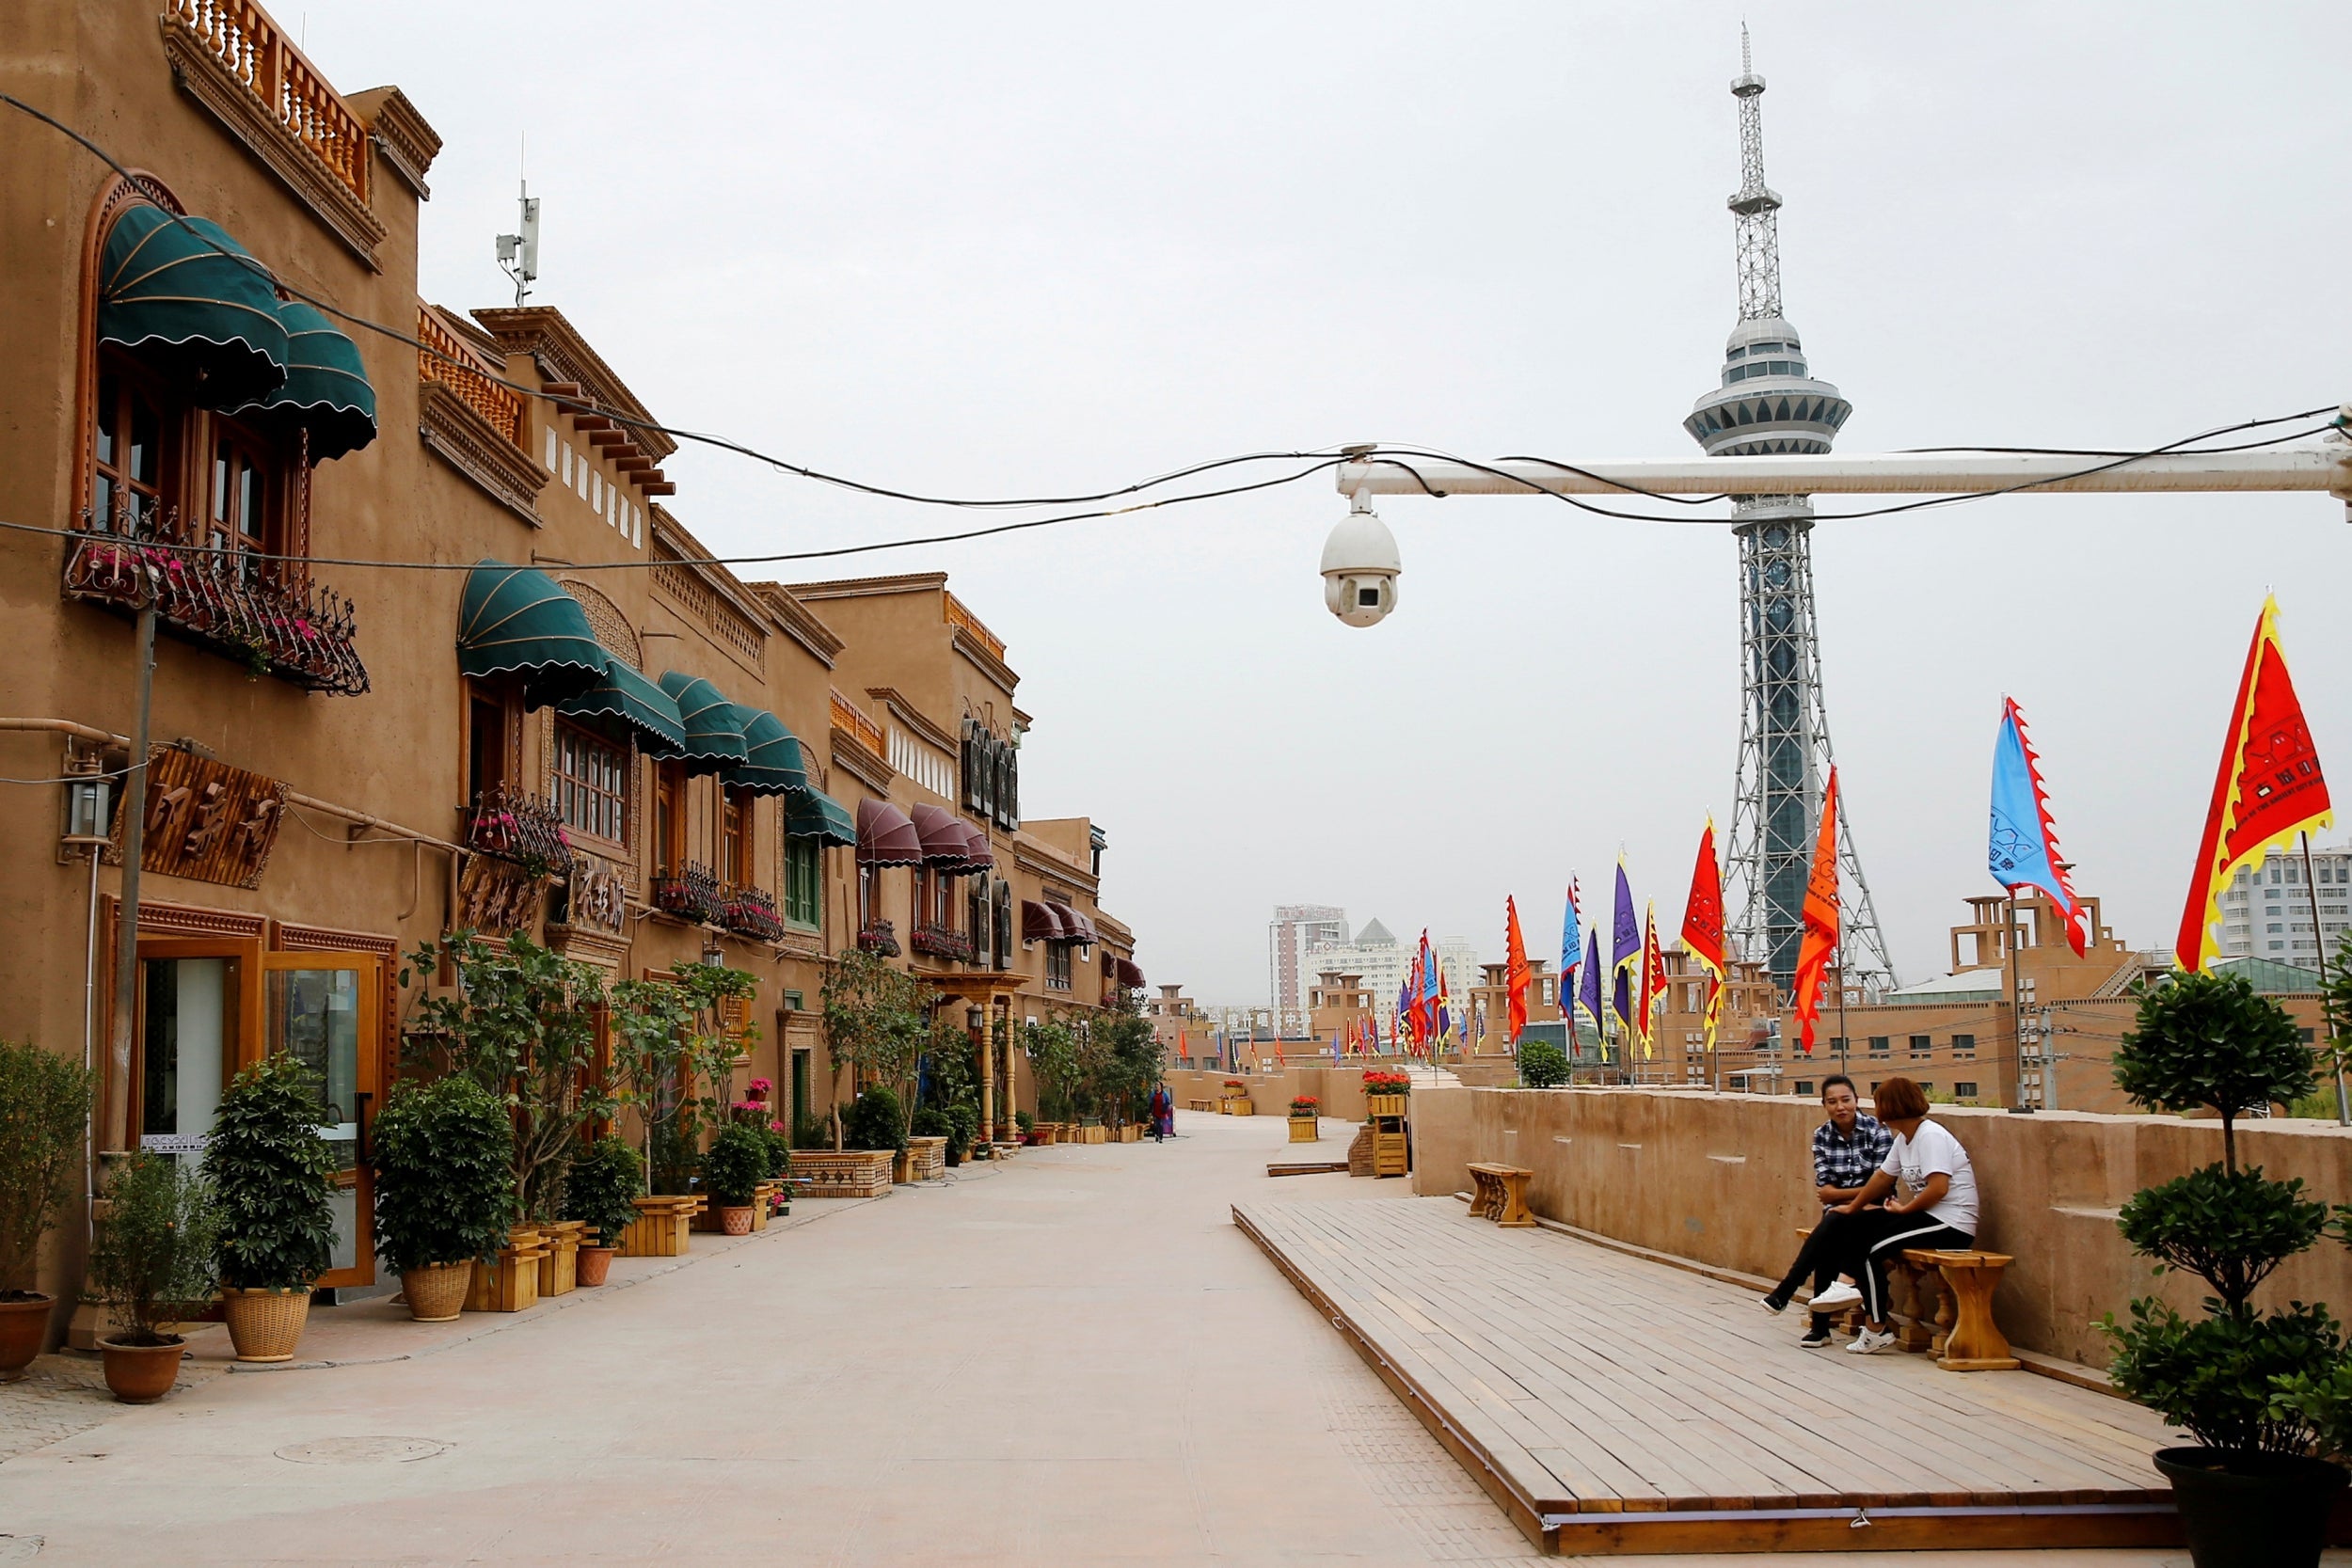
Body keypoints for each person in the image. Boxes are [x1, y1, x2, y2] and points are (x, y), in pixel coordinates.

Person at [1808, 1075, 1979, 1354]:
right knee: (1857, 1228)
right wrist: (1852, 1208)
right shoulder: (1905, 1140)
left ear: (1892, 1106)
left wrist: (1905, 1210)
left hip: (1951, 1222)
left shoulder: (1930, 1136)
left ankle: (1866, 1314)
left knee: (1872, 1248)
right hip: (1927, 1216)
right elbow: (1881, 1178)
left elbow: (1938, 1189)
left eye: (1878, 1103)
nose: (1875, 1110)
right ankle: (1855, 1297)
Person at [1758, 1074, 1891, 1346]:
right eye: (1833, 1102)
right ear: (1824, 1105)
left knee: (1830, 1226)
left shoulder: (1878, 1130)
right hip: (1841, 1212)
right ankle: (1819, 1328)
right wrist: (1851, 1193)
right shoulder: (1821, 1135)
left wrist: (1845, 1195)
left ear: (1856, 1100)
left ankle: (1788, 1294)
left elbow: (1883, 1183)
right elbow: (1824, 1188)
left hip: (1875, 1211)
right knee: (1830, 1232)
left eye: (1846, 1100)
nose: (1840, 1107)